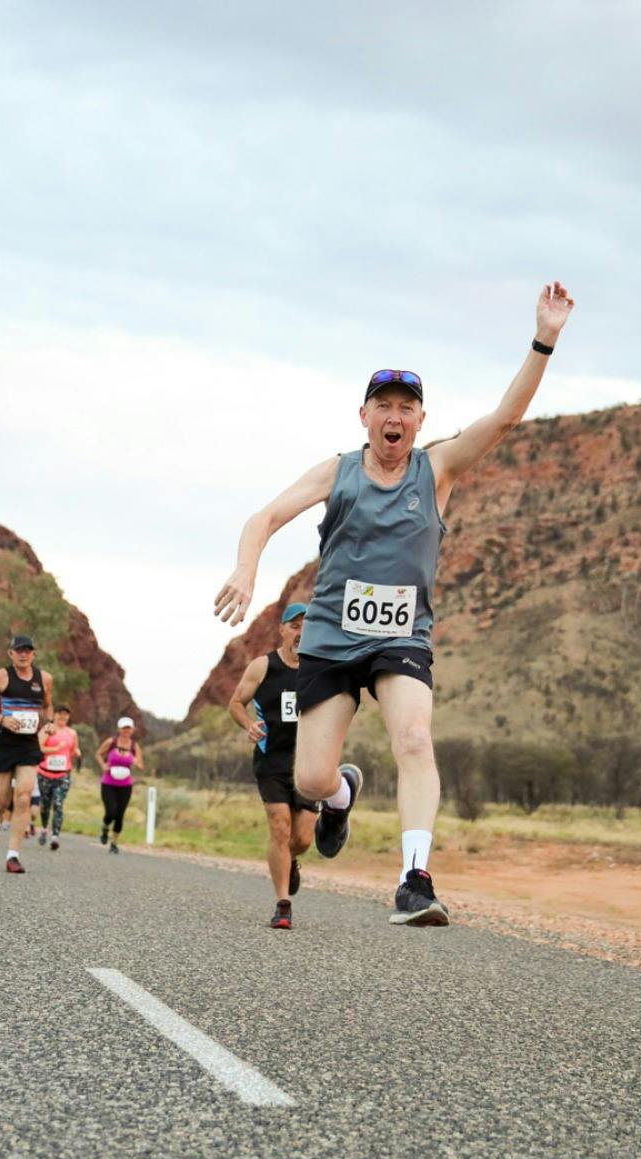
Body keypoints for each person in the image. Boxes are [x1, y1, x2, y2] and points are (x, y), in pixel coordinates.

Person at [214, 282, 575, 926]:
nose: (395, 415)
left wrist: (543, 338)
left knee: (414, 736)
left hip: (401, 637)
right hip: (329, 638)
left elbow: (506, 418)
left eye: (406, 406)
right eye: (384, 404)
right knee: (311, 782)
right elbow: (265, 515)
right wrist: (246, 570)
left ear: (420, 421)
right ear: (364, 416)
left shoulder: (437, 470)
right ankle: (344, 794)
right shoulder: (339, 471)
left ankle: (415, 879)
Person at [227, 602, 313, 929]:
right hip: (272, 759)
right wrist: (248, 724)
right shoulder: (263, 666)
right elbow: (236, 702)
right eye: (295, 625)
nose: (300, 632)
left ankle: (290, 862)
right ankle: (283, 905)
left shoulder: (319, 668)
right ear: (282, 629)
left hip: (309, 761)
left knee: (302, 839)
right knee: (279, 826)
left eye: (307, 626)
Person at [0, 633, 53, 874]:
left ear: (33, 654)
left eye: (28, 650)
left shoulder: (45, 679)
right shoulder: (1, 676)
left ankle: (13, 856)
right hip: (4, 744)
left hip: (29, 744)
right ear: (10, 653)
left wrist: (48, 722)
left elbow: (48, 705)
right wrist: (1, 719)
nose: (23, 654)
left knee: (23, 796)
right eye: (19, 650)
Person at [36, 706, 81, 850]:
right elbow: (39, 747)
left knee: (58, 803)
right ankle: (44, 828)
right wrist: (55, 749)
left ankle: (55, 836)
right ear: (54, 715)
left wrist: (77, 753)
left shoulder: (72, 733)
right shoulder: (47, 729)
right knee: (45, 805)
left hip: (63, 774)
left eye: (65, 716)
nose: (62, 718)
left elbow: (73, 751)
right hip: (45, 773)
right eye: (60, 715)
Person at [95, 717, 143, 854]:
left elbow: (140, 765)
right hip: (108, 783)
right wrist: (103, 765)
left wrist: (135, 761)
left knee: (120, 814)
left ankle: (114, 843)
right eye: (124, 728)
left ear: (132, 729)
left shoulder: (134, 746)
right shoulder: (112, 742)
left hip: (125, 785)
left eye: (128, 728)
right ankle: (105, 827)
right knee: (111, 811)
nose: (126, 730)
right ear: (119, 729)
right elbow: (98, 754)